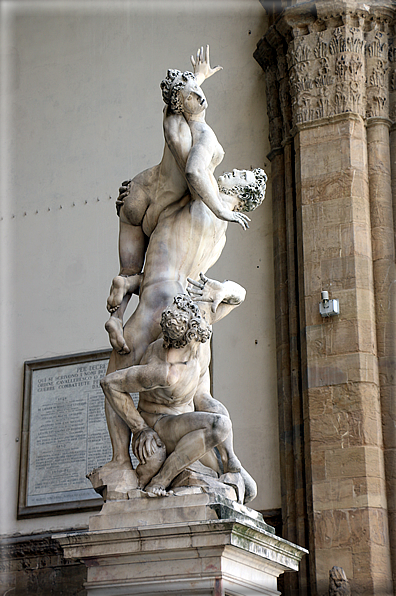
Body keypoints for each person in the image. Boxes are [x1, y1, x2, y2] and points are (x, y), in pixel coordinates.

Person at [103, 168, 267, 481]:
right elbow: (238, 293)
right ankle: (229, 466)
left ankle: (120, 462)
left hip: (156, 299)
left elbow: (186, 167)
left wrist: (137, 197)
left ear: (244, 196)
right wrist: (220, 290)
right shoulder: (219, 232)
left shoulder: (202, 201)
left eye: (240, 176)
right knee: (199, 396)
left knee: (116, 376)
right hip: (186, 305)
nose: (231, 172)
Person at [105, 46, 250, 352]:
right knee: (155, 272)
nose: (199, 97)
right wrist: (222, 210)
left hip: (139, 192)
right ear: (183, 103)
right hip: (155, 203)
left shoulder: (172, 119)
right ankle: (120, 311)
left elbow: (181, 93)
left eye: (198, 92)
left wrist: (196, 78)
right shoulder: (202, 136)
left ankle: (116, 319)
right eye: (192, 95)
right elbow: (195, 175)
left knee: (129, 272)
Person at [101, 278, 256, 501]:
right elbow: (110, 384)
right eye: (196, 342)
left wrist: (222, 289)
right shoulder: (164, 371)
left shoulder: (198, 321)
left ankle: (232, 462)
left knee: (249, 490)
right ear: (182, 341)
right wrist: (141, 429)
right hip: (162, 423)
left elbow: (239, 296)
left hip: (186, 420)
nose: (200, 347)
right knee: (220, 425)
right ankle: (161, 480)